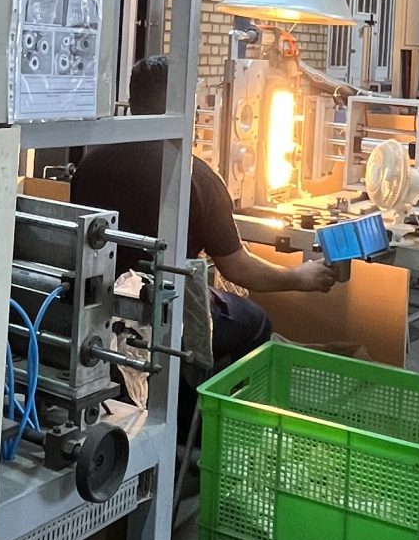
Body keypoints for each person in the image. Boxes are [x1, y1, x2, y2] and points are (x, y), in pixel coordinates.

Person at [70, 55, 337, 375]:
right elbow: (238, 268)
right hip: (163, 313)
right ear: (186, 107)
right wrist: (299, 277)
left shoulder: (90, 165)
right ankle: (197, 395)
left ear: (132, 103)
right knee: (257, 322)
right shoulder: (195, 177)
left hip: (97, 308)